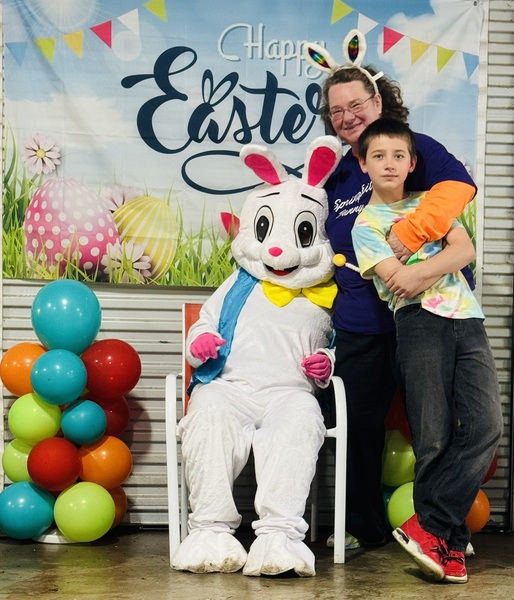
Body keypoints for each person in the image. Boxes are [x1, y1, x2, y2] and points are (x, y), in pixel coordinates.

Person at [303, 30, 477, 549]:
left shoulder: (411, 150)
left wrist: (409, 237)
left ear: (378, 102)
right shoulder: (335, 174)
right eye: (337, 111)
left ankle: (443, 527)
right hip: (362, 323)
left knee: (439, 424)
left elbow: (459, 189)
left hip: (428, 310)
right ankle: (362, 527)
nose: (347, 116)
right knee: (355, 426)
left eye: (356, 105)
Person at [351, 117, 502, 584]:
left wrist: (418, 269)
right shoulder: (365, 226)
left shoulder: (429, 202)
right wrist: (434, 264)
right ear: (363, 164)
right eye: (379, 156)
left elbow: (465, 252)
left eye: (398, 155)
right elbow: (397, 281)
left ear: (412, 162)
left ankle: (429, 526)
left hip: (467, 320)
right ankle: (450, 544)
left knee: (486, 426)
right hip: (418, 325)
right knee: (433, 437)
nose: (389, 163)